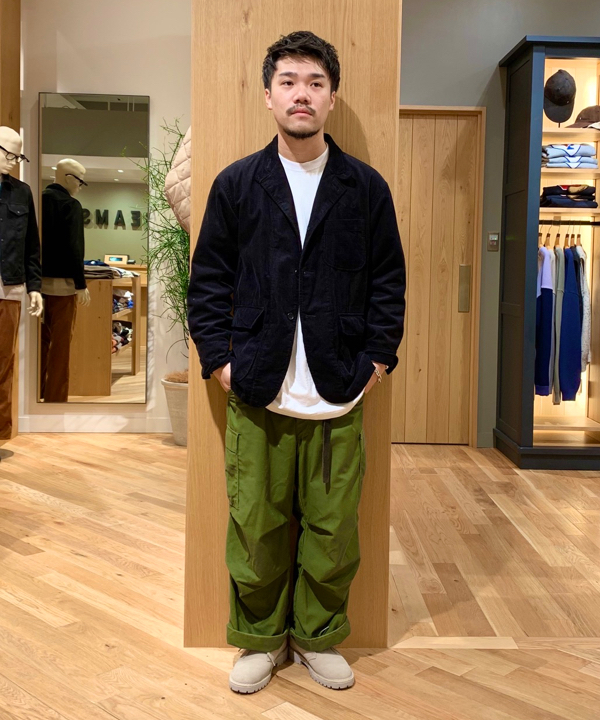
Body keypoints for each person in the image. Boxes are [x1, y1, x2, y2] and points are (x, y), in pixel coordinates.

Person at [187, 30, 406, 694]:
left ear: (332, 96)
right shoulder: (237, 184)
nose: (301, 94)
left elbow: (388, 283)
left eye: (315, 82)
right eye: (288, 81)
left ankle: (316, 637)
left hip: (339, 390)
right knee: (255, 527)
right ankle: (258, 639)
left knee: (333, 532)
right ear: (268, 95)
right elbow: (208, 283)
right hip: (258, 387)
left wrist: (377, 361)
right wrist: (221, 363)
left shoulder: (364, 188)